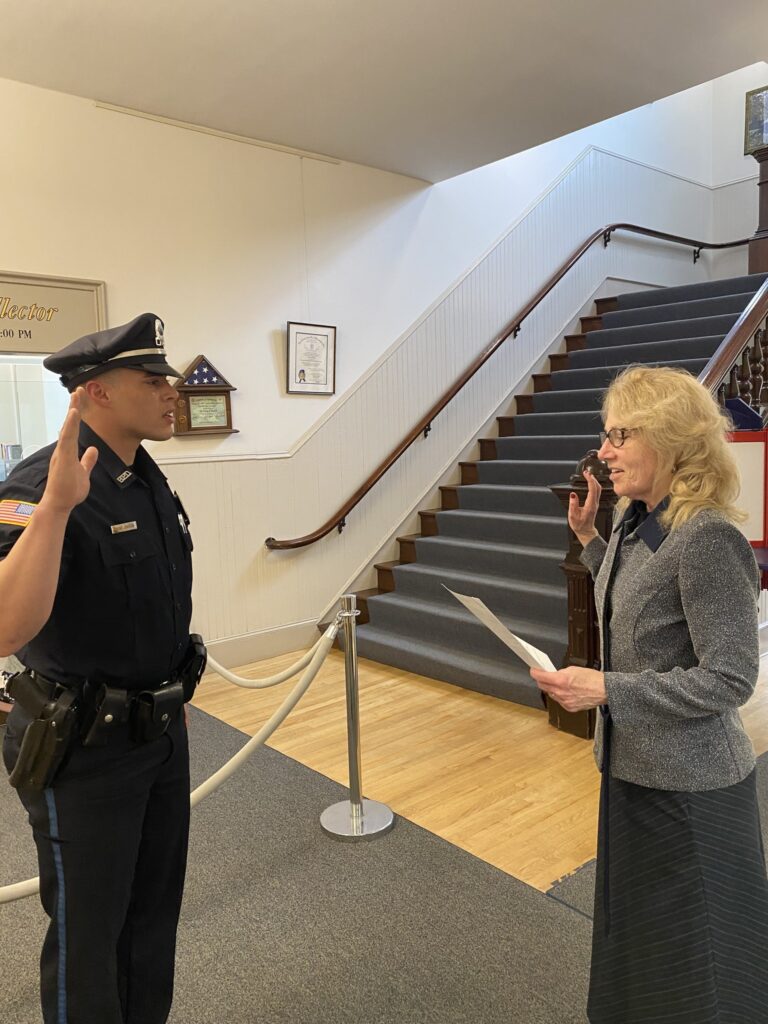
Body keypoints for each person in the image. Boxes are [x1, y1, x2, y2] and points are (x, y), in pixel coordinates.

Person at [530, 365, 768, 1023]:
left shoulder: (707, 537)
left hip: (691, 791)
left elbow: (730, 679)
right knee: (645, 942)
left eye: (618, 436)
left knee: (702, 962)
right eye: (605, 436)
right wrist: (588, 539)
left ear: (669, 441)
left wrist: (607, 687)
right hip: (634, 769)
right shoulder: (641, 519)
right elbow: (640, 600)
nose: (603, 452)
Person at [0, 313, 204, 1024]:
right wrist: (56, 509)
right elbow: (2, 627)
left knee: (151, 922)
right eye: (153, 380)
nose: (171, 391)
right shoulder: (36, 484)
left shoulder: (146, 479)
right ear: (95, 393)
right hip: (83, 750)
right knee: (90, 936)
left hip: (158, 736)